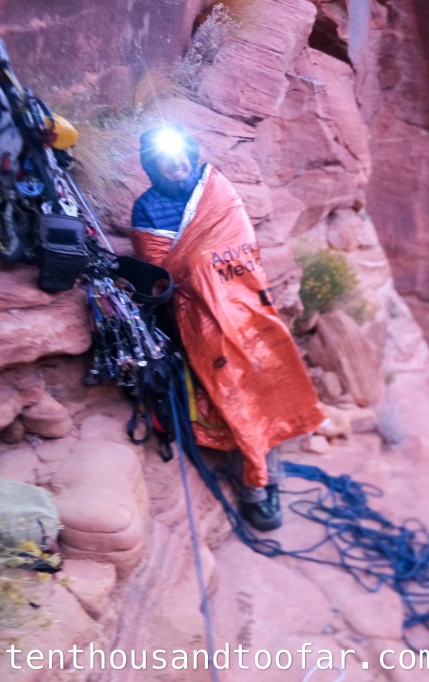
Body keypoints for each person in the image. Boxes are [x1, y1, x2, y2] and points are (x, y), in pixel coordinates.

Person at [129, 125, 325, 531]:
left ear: (191, 153)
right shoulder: (147, 208)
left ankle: (267, 469)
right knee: (235, 386)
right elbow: (161, 272)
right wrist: (200, 268)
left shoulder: (216, 190)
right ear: (153, 166)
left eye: (180, 154)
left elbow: (241, 247)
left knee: (269, 372)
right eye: (165, 158)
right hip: (197, 312)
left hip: (245, 301)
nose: (176, 163)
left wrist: (208, 267)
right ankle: (255, 485)